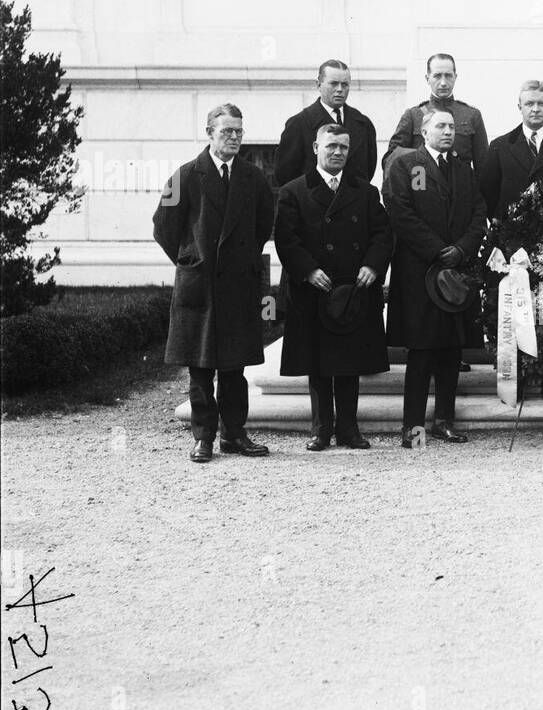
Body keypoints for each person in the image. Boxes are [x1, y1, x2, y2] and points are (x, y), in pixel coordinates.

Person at [153, 104, 275, 463]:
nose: (234, 138)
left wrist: (243, 261)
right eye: (226, 131)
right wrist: (191, 259)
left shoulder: (253, 178)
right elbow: (164, 227)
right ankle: (203, 437)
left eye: (239, 131)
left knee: (234, 369)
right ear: (209, 132)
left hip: (238, 286)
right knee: (201, 368)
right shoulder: (185, 176)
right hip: (200, 285)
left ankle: (235, 435)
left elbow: (263, 226)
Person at [273, 123, 392, 451]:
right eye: (331, 147)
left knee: (350, 363)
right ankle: (321, 429)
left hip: (352, 290)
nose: (337, 152)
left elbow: (383, 233)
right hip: (315, 290)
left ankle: (350, 429)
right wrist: (308, 270)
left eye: (343, 147)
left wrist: (372, 264)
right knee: (319, 364)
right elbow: (286, 238)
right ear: (315, 148)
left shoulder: (365, 191)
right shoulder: (293, 192)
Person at [383, 108, 487, 446]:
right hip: (419, 273)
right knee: (421, 353)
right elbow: (400, 211)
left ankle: (445, 420)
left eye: (451, 126)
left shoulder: (463, 170)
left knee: (449, 351)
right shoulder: (407, 165)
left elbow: (478, 213)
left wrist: (460, 249)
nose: (447, 131)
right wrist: (436, 249)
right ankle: (412, 428)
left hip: (455, 272)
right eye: (440, 126)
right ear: (423, 132)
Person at [478, 80, 543, 222]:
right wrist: (503, 226)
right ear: (520, 107)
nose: (536, 109)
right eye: (529, 104)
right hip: (512, 235)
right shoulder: (499, 147)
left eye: (541, 104)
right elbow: (487, 193)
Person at [382, 52, 490, 173]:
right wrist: (422, 156)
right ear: (427, 79)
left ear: (455, 77)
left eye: (448, 76)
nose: (443, 83)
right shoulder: (413, 115)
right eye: (437, 76)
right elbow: (391, 158)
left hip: (460, 187)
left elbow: (484, 167)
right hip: (422, 186)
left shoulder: (471, 115)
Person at [275, 60, 377, 186]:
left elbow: (368, 169)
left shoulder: (363, 124)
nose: (340, 89)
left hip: (354, 202)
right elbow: (285, 175)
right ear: (318, 85)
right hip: (314, 202)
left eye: (345, 84)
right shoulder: (298, 124)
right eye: (333, 84)